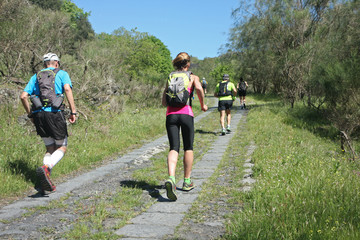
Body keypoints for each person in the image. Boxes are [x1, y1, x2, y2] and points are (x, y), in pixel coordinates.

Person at [20, 53, 77, 193]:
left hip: (39, 115)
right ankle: (46, 168)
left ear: (44, 64)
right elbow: (68, 89)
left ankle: (45, 180)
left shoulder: (36, 76)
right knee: (62, 147)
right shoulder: (62, 74)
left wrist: (30, 115)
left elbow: (23, 96)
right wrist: (73, 111)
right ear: (56, 63)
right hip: (55, 114)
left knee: (50, 148)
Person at [162, 52, 208, 201]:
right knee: (188, 147)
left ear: (176, 63)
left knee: (173, 148)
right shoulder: (192, 77)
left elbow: (164, 102)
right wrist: (203, 105)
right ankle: (187, 181)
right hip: (186, 114)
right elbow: (200, 89)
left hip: (171, 116)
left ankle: (171, 178)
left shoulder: (170, 77)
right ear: (188, 64)